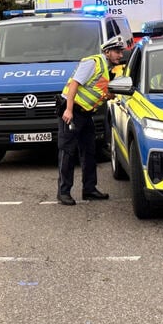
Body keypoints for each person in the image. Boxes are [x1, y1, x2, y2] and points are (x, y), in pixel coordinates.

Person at [56, 36, 125, 206]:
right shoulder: (93, 62)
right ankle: (63, 192)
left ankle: (89, 189)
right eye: (117, 51)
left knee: (89, 151)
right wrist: (69, 109)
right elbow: (74, 84)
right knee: (68, 152)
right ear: (107, 52)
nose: (120, 55)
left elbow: (99, 90)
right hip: (72, 111)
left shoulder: (110, 69)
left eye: (121, 51)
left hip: (86, 114)